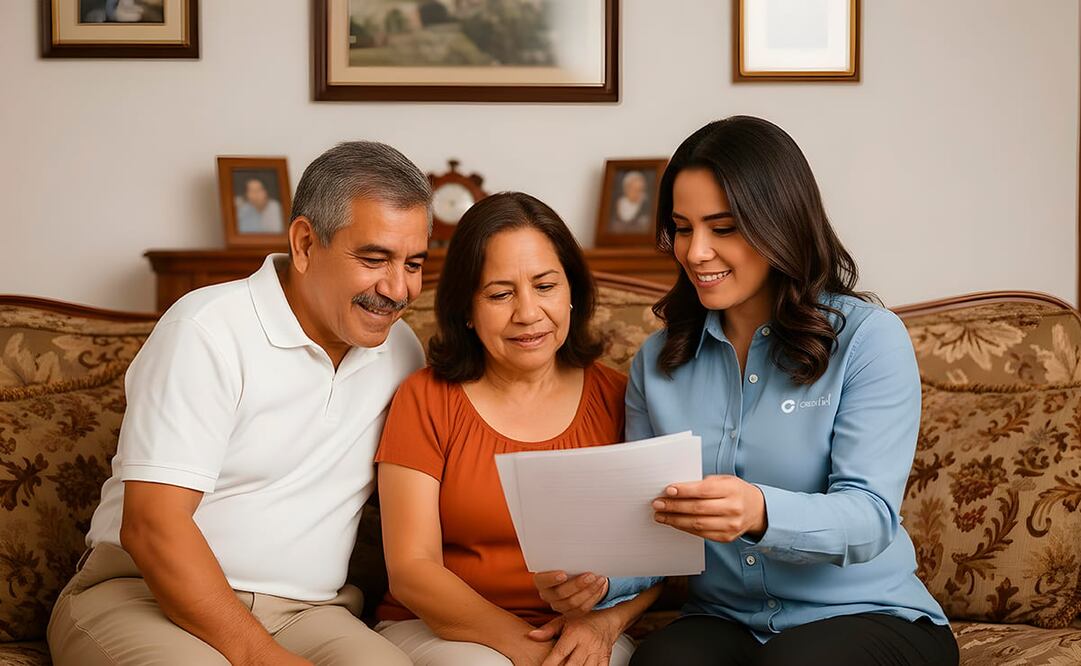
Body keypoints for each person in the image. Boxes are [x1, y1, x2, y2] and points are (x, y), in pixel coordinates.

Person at [536, 117, 960, 666]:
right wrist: (596, 582)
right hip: (725, 621)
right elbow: (654, 536)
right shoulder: (657, 363)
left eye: (724, 227)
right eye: (682, 228)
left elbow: (871, 516)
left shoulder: (868, 340)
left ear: (780, 223)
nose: (696, 252)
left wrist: (760, 512)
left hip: (867, 614)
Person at [47, 141, 433, 666]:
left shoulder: (402, 351)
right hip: (141, 594)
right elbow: (151, 526)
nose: (398, 288)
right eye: (373, 259)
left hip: (309, 613)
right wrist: (259, 656)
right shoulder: (206, 329)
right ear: (303, 243)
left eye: (414, 263)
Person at [374, 192, 661, 666]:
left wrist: (604, 624)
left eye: (545, 286)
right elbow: (411, 569)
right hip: (436, 629)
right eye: (500, 294)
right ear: (467, 308)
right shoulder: (424, 398)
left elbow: (661, 559)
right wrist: (526, 650)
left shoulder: (621, 398)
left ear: (572, 293)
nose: (527, 313)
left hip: (581, 631)